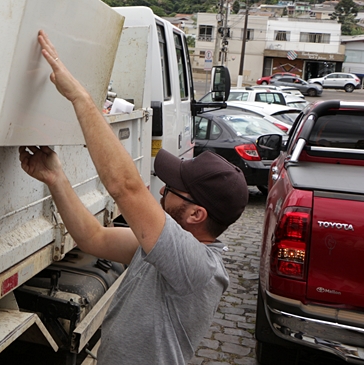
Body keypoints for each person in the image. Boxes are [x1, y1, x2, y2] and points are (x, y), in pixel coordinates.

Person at [18, 30, 249, 365]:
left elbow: (125, 187)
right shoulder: (161, 250)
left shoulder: (196, 266)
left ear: (197, 214)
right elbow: (92, 237)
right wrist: (56, 178)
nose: (161, 191)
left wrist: (80, 98)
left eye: (172, 189)